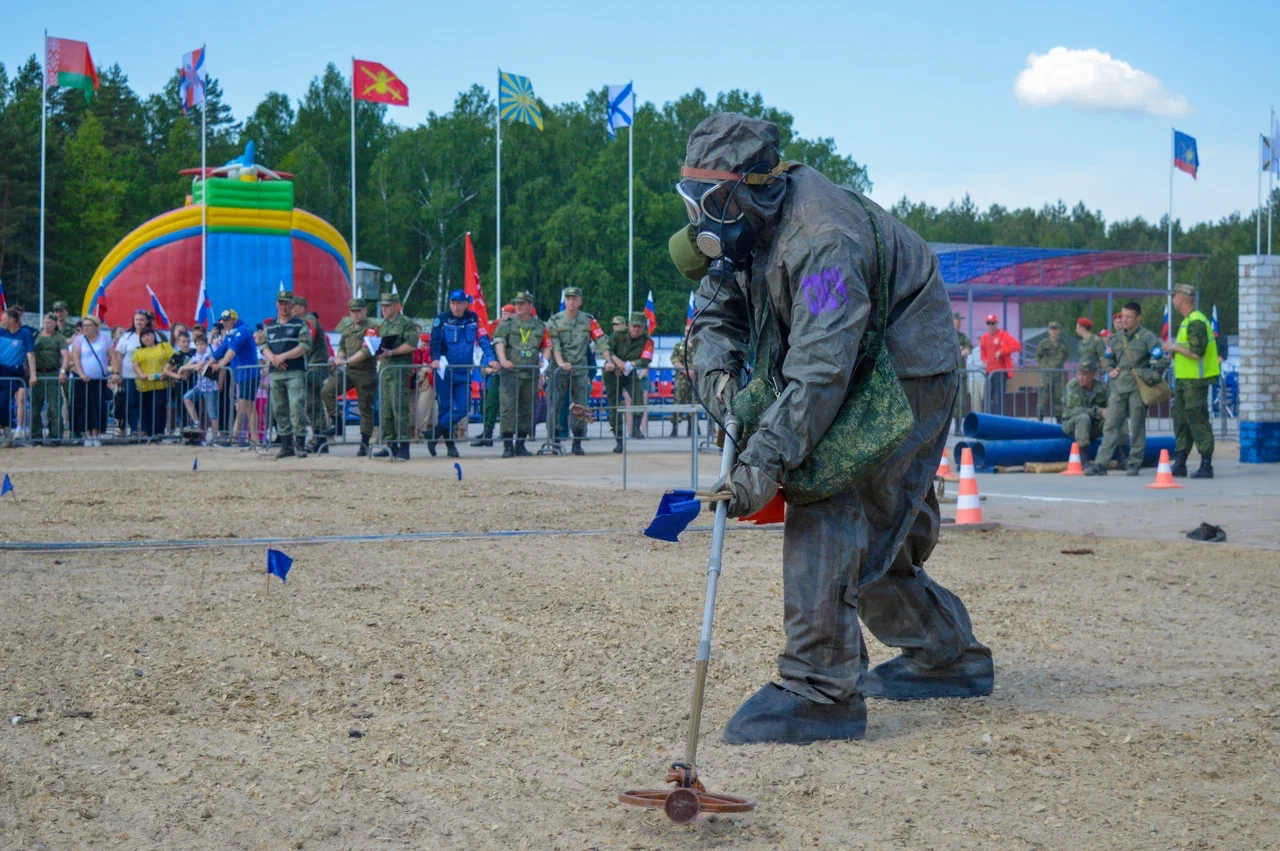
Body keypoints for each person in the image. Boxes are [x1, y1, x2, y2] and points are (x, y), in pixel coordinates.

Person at [677, 112, 990, 744]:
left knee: (828, 486)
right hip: (849, 355)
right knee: (880, 530)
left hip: (902, 365)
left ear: (753, 186)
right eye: (691, 200)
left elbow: (821, 369)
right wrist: (721, 385)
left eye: (710, 201)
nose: (700, 219)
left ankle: (820, 687)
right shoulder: (746, 228)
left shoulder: (823, 245)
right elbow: (715, 313)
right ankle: (945, 655)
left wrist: (762, 459)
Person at [1088, 302, 1169, 476]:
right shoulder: (1116, 339)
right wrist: (1110, 369)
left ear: (1138, 318)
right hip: (1118, 389)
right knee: (1110, 425)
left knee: (1138, 426)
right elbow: (1108, 357)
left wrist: (1145, 374)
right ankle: (1101, 463)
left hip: (1137, 389)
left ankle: (1134, 462)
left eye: (1129, 316)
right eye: (1123, 316)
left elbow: (1161, 361)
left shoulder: (1147, 338)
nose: (1124, 320)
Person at [430, 289, 496, 458]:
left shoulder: (473, 318)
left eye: (459, 303)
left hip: (464, 371)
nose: (456, 306)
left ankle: (435, 433)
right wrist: (435, 358)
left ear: (466, 303)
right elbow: (435, 341)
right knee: (445, 408)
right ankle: (451, 446)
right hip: (445, 370)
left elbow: (483, 340)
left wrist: (491, 358)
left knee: (463, 407)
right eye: (453, 303)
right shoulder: (442, 319)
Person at [547, 286, 610, 455]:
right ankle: (555, 441)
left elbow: (601, 340)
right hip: (559, 371)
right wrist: (561, 363)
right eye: (568, 299)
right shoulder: (555, 321)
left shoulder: (588, 320)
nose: (571, 302)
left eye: (574, 299)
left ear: (580, 301)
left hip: (580, 370)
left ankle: (578, 442)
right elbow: (555, 345)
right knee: (555, 405)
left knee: (580, 407)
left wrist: (608, 360)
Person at [1164, 283, 1218, 478]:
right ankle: (1180, 462)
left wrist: (1174, 348)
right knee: (1181, 421)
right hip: (1184, 381)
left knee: (1197, 420)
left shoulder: (1196, 322)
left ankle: (1206, 464)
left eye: (1175, 295)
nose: (1172, 300)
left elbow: (1196, 353)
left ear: (1183, 298)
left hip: (1195, 382)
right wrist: (1173, 353)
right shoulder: (1188, 321)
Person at [492, 291, 550, 457]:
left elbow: (547, 346)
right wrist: (503, 360)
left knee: (526, 410)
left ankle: (521, 444)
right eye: (517, 303)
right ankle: (508, 445)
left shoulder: (539, 326)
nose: (518, 306)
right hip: (511, 373)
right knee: (508, 409)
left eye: (522, 304)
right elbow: (499, 341)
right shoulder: (507, 323)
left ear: (530, 306)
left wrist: (543, 364)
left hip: (530, 374)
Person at [323, 299, 380, 456]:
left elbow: (367, 350)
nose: (356, 314)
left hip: (365, 372)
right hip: (349, 371)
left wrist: (346, 360)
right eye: (353, 311)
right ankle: (338, 421)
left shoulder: (372, 328)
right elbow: (342, 346)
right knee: (327, 391)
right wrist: (338, 358)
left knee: (365, 409)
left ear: (365, 310)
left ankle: (364, 442)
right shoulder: (348, 329)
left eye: (359, 311)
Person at [262, 290, 314, 459]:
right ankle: (286, 445)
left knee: (296, 407)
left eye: (286, 303)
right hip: (275, 373)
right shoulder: (270, 326)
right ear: (277, 304)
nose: (283, 306)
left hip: (295, 372)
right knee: (279, 409)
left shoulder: (300, 324)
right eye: (281, 303)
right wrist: (273, 359)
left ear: (292, 305)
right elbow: (262, 344)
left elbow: (305, 345)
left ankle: (299, 445)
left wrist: (283, 357)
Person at [369, 292, 419, 461]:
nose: (384, 309)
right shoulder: (383, 325)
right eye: (382, 306)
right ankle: (390, 444)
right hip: (385, 371)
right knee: (386, 410)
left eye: (387, 306)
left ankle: (404, 446)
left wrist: (391, 351)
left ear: (397, 306)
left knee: (399, 409)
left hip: (399, 371)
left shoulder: (406, 324)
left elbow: (412, 344)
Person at [208, 309, 261, 446]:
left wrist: (219, 364)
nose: (224, 323)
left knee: (243, 407)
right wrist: (207, 364)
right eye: (223, 321)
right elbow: (220, 351)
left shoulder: (243, 330)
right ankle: (255, 439)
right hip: (242, 375)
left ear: (235, 320)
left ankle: (233, 439)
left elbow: (232, 351)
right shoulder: (231, 334)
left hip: (249, 375)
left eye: (227, 320)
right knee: (248, 408)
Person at [604, 312, 653, 452]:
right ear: (629, 325)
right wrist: (617, 362)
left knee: (638, 396)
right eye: (633, 326)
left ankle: (636, 427)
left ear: (643, 327)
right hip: (612, 373)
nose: (636, 330)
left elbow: (646, 359)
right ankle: (619, 439)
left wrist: (627, 365)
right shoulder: (618, 334)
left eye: (639, 327)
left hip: (630, 372)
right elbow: (608, 349)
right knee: (615, 406)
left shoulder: (647, 340)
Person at [69, 315, 112, 445]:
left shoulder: (105, 339)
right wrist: (81, 373)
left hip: (98, 379)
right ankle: (87, 433)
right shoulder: (79, 340)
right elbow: (75, 358)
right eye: (84, 326)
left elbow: (112, 356)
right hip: (83, 379)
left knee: (98, 406)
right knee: (84, 406)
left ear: (96, 327)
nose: (86, 328)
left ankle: (96, 433)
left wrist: (114, 372)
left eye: (89, 326)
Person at [112, 309, 152, 434]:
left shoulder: (153, 336)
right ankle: (134, 428)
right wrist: (117, 373)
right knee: (132, 403)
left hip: (147, 376)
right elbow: (118, 356)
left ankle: (146, 429)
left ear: (147, 322)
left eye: (141, 320)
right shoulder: (126, 337)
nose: (139, 322)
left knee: (146, 403)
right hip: (129, 376)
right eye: (136, 320)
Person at [130, 328, 174, 439]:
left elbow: (173, 359)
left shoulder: (164, 346)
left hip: (161, 383)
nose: (146, 338)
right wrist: (140, 374)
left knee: (160, 406)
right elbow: (136, 364)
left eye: (148, 335)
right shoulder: (139, 351)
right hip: (145, 385)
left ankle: (159, 432)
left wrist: (167, 370)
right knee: (146, 408)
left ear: (153, 335)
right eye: (143, 336)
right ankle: (149, 432)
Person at [0, 307, 36, 439]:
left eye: (3, 319)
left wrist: (33, 375)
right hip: (1, 370)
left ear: (11, 320)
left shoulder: (24, 333)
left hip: (15, 371)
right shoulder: (1, 332)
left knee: (5, 402)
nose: (2, 321)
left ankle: (12, 430)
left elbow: (30, 354)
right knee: (2, 404)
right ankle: (7, 430)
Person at [1061, 358, 1108, 458]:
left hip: (1094, 425)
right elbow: (1076, 410)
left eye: (1084, 375)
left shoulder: (1102, 387)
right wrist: (1099, 411)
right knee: (1083, 417)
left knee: (1115, 418)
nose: (1080, 378)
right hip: (1072, 425)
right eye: (1079, 374)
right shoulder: (1073, 386)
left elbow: (1111, 404)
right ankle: (1083, 456)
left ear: (1093, 375)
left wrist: (1110, 413)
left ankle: (1121, 453)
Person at [32, 313, 68, 443]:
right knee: (35, 407)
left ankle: (55, 436)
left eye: (50, 323)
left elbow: (65, 355)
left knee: (54, 407)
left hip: (53, 374)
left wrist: (62, 371)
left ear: (55, 324)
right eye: (45, 322)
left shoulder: (59, 338)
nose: (47, 325)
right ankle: (35, 436)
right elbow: (29, 354)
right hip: (37, 374)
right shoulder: (36, 335)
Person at [179, 333, 220, 442]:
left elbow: (198, 366)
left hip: (210, 388)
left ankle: (215, 437)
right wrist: (185, 367)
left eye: (202, 344)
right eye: (198, 344)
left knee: (212, 414)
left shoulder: (209, 353)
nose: (200, 346)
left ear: (206, 345)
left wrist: (183, 367)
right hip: (199, 387)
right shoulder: (195, 355)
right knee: (187, 398)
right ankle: (196, 422)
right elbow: (191, 364)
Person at [979, 314, 1020, 415]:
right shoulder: (984, 337)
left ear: (996, 323)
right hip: (989, 372)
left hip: (1000, 372)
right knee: (986, 398)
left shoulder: (1003, 335)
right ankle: (990, 418)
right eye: (988, 323)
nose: (990, 325)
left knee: (999, 398)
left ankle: (1000, 419)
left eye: (992, 323)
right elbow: (983, 351)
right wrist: (984, 360)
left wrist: (1002, 351)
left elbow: (1016, 346)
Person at [1033, 321, 1069, 420]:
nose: (1053, 331)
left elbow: (1065, 356)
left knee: (1058, 398)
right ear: (1049, 331)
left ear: (1059, 331)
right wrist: (1045, 366)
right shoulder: (1043, 343)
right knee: (1043, 397)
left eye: (1055, 329)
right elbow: (1038, 357)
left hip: (1058, 375)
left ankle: (1059, 420)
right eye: (1051, 329)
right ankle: (1040, 419)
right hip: (1045, 375)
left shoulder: (1062, 344)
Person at [669, 336, 698, 437]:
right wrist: (687, 371)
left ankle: (693, 427)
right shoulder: (679, 346)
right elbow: (674, 360)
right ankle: (674, 428)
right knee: (678, 401)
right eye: (687, 330)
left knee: (695, 402)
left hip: (696, 379)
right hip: (682, 379)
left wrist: (695, 371)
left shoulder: (700, 345)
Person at [413, 332, 438, 447]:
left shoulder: (432, 352)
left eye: (428, 343)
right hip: (423, 382)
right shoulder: (417, 352)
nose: (426, 346)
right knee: (422, 407)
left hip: (432, 381)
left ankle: (431, 431)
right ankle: (420, 431)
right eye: (424, 343)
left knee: (433, 408)